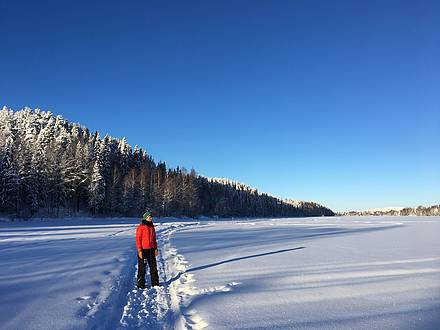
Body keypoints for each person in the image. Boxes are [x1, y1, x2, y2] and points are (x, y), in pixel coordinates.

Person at [136, 210, 160, 289]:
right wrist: (139, 250)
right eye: (149, 217)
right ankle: (141, 284)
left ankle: (155, 283)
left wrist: (156, 248)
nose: (151, 218)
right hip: (143, 250)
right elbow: (138, 239)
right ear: (145, 218)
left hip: (152, 250)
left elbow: (154, 238)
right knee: (142, 267)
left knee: (153, 267)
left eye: (151, 217)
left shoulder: (152, 226)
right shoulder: (141, 227)